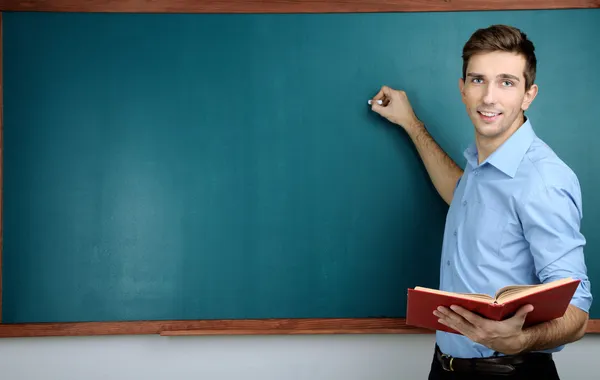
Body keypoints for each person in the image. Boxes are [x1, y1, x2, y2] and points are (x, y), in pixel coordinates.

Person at [369, 24, 592, 379]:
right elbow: (458, 192)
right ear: (463, 89)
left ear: (528, 94)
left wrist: (521, 339)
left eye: (506, 82)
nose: (489, 97)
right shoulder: (480, 166)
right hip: (445, 366)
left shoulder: (543, 179)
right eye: (477, 80)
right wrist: (411, 123)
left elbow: (577, 312)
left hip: (510, 370)